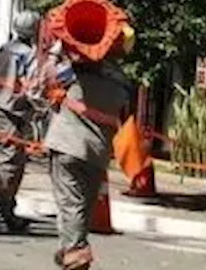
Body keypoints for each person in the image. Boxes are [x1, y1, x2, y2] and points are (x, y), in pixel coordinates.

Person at [43, 25, 134, 270]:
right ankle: (68, 250)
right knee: (81, 206)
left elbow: (45, 78)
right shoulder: (123, 83)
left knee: (70, 204)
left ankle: (75, 255)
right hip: (97, 152)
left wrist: (56, 51)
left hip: (66, 144)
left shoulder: (73, 73)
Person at [0, 9, 43, 233]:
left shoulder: (4, 49)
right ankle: (1, 214)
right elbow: (33, 86)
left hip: (1, 108)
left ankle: (7, 211)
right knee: (11, 164)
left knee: (14, 163)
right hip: (15, 110)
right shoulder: (29, 55)